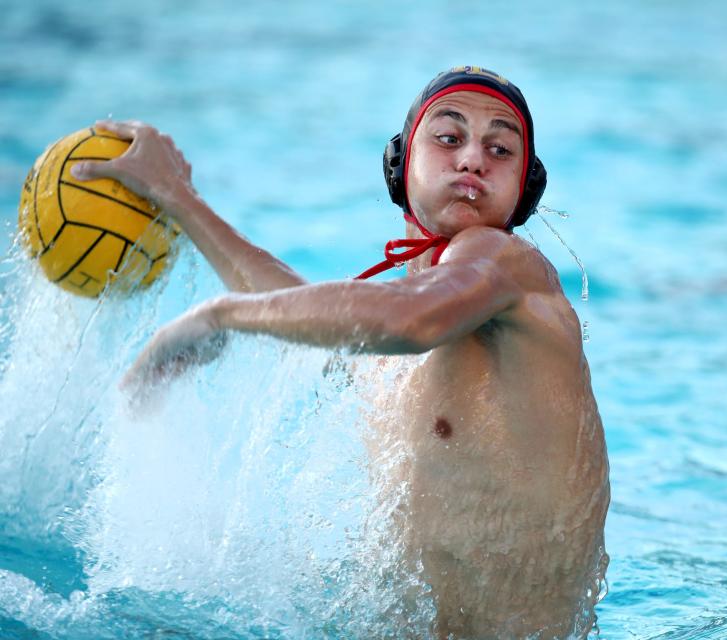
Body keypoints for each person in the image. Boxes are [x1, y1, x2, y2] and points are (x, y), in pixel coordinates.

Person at [71, 66, 610, 639]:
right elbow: (306, 309)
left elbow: (411, 316)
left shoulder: (505, 263)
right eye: (449, 138)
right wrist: (178, 197)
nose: (473, 159)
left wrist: (219, 316)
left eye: (499, 148)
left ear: (524, 189)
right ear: (400, 167)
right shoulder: (386, 354)